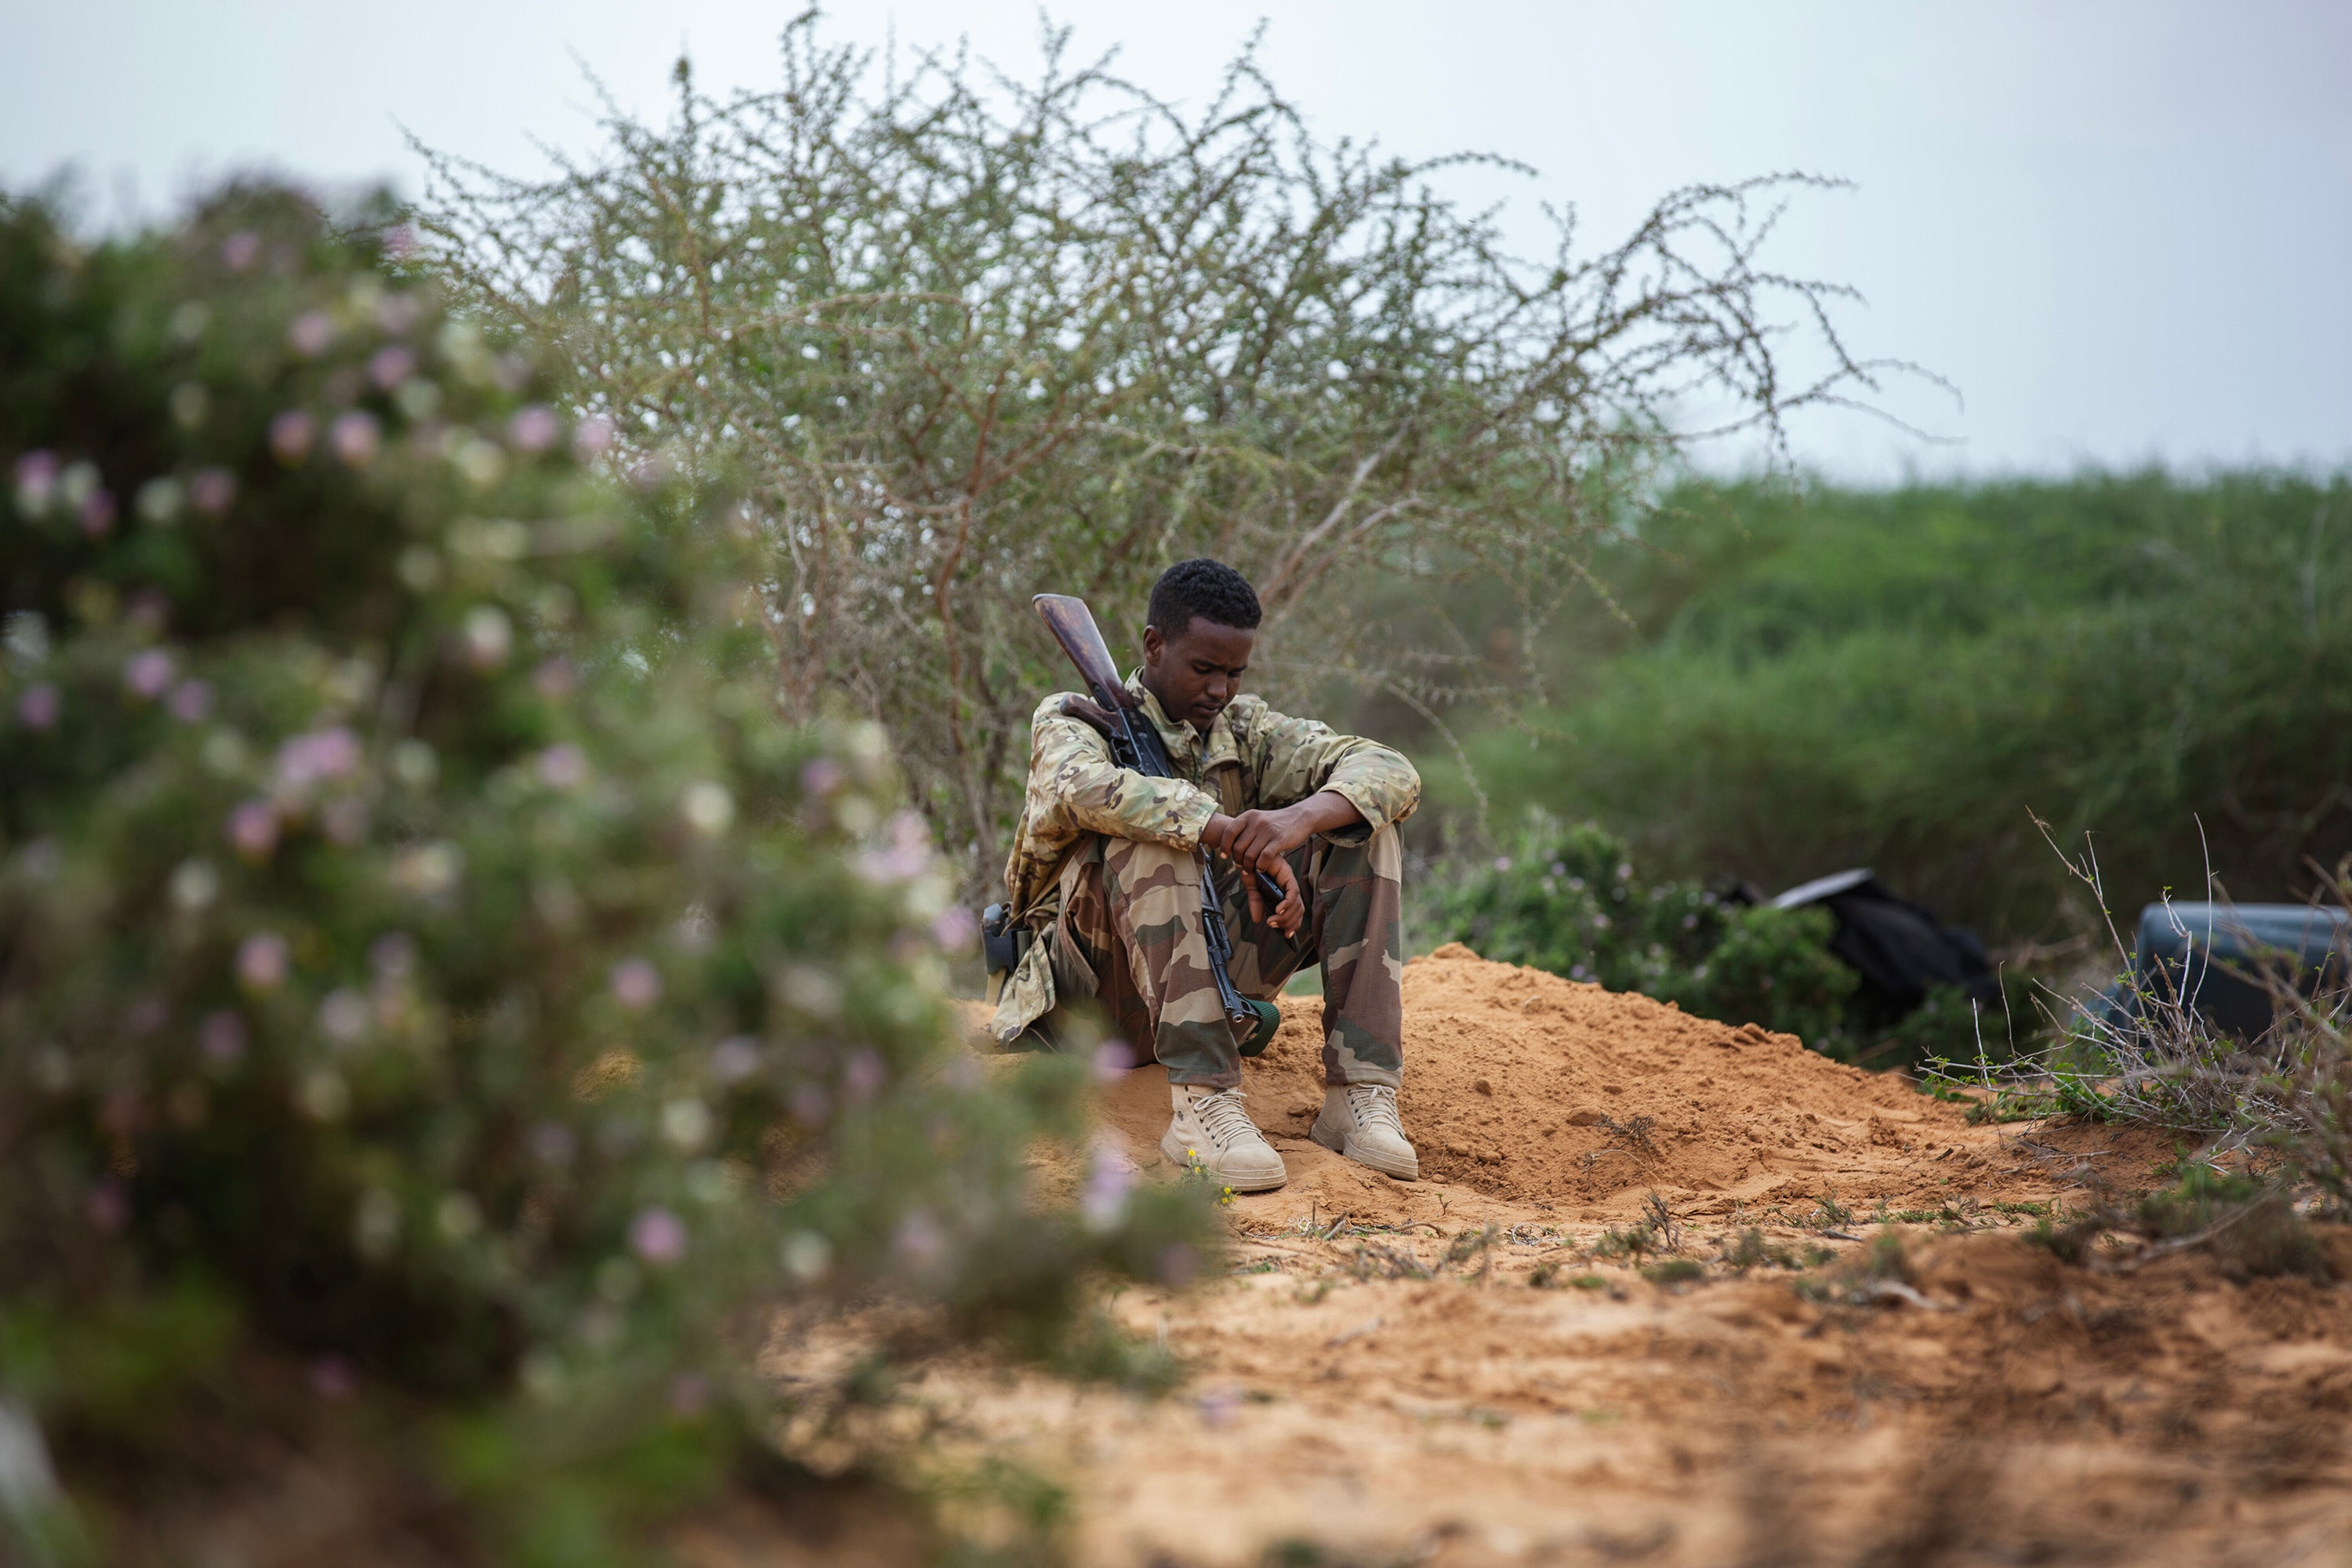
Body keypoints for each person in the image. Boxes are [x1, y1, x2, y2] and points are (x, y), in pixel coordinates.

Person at [991, 557, 1422, 1192]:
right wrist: (1220, 830)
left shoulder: (1244, 731)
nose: (1219, 689)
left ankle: (1358, 1096)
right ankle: (1204, 1103)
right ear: (1153, 645)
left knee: (1364, 823)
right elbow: (1080, 788)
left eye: (1234, 672)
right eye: (1204, 668)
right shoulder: (1076, 717)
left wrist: (1295, 822)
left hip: (1203, 978)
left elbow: (1389, 769)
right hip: (1082, 1004)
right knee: (1155, 837)